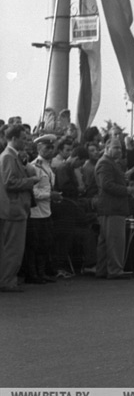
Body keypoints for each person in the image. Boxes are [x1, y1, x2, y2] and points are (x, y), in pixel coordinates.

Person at [0, 124, 38, 292]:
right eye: (23, 138)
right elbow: (9, 182)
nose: (26, 142)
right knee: (13, 248)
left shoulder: (12, 156)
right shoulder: (8, 157)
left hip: (14, 208)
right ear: (14, 139)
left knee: (11, 247)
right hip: (13, 209)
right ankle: (7, 281)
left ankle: (7, 279)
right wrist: (31, 181)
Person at [95, 139, 134, 279]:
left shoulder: (111, 163)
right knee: (115, 241)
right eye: (115, 148)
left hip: (110, 208)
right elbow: (107, 185)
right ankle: (115, 271)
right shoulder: (105, 163)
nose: (119, 151)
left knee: (105, 242)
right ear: (106, 148)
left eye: (120, 148)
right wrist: (127, 190)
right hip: (112, 208)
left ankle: (102, 270)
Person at [25, 134, 63, 284]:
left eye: (52, 147)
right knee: (34, 244)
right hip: (35, 212)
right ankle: (32, 274)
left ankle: (41, 272)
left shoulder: (48, 166)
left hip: (46, 211)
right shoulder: (34, 167)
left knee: (45, 243)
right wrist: (49, 195)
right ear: (39, 148)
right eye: (47, 147)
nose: (51, 150)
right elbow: (32, 191)